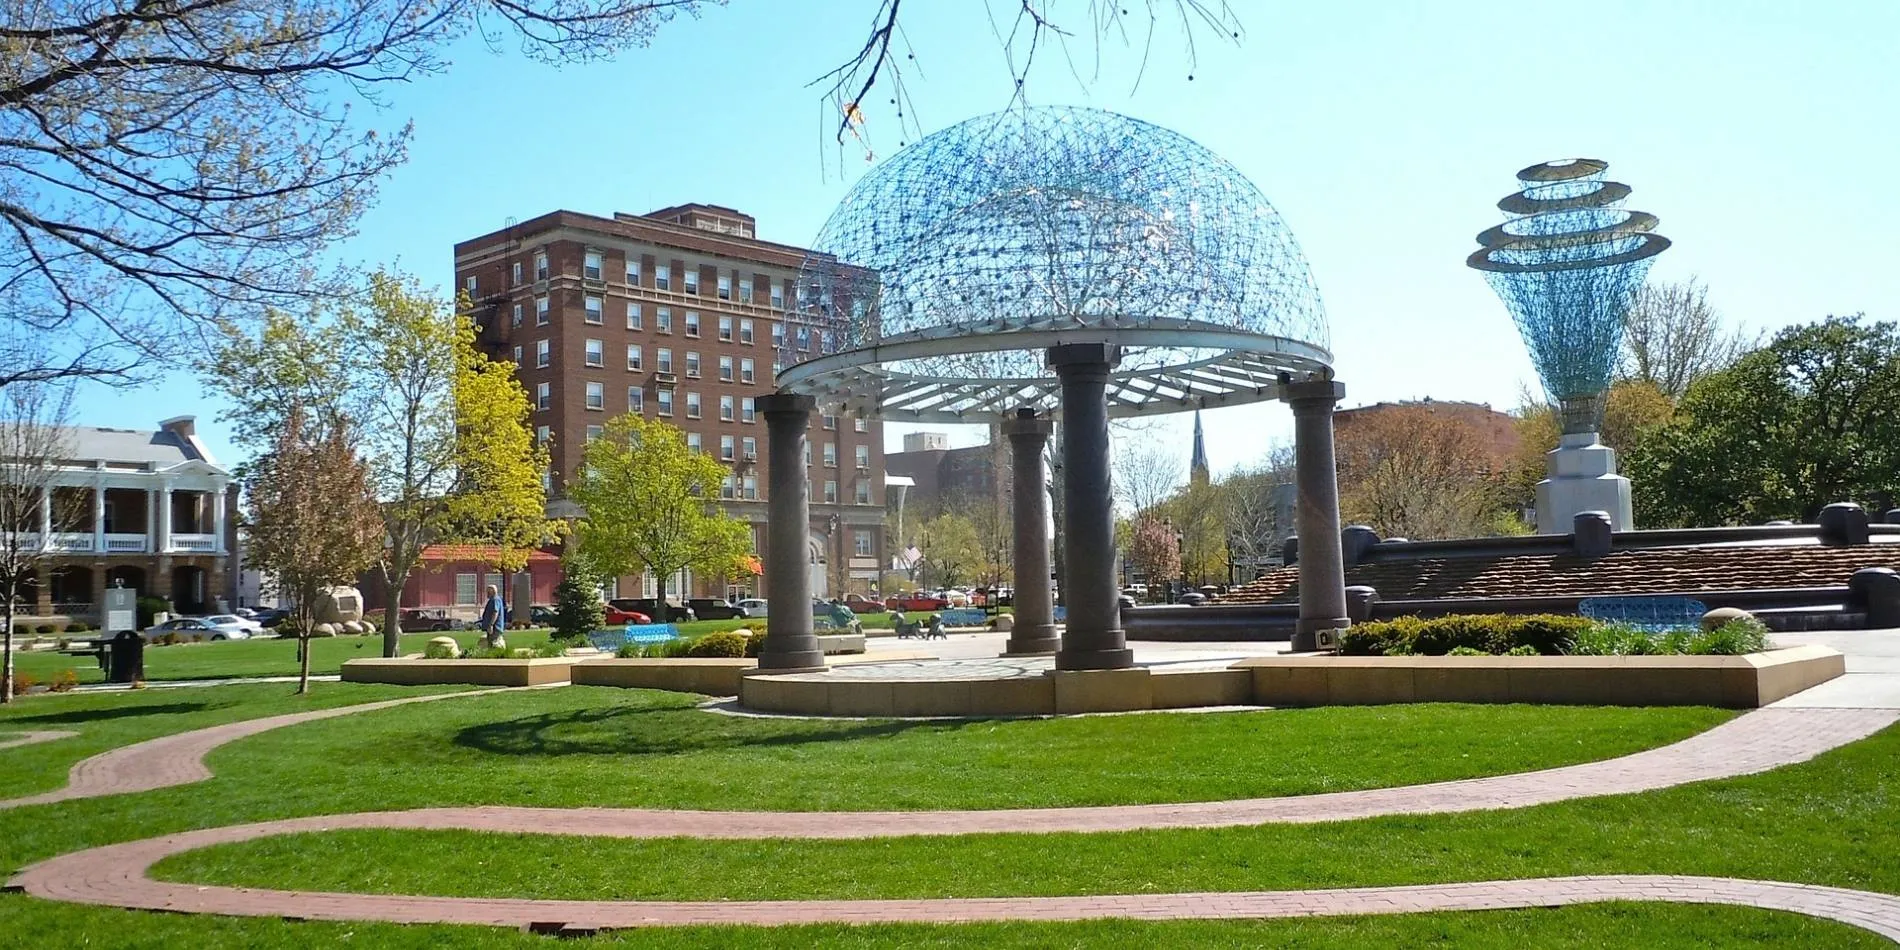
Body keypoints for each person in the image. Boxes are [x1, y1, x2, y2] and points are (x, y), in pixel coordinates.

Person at [478, 584, 507, 649]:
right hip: (493, 627)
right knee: (491, 643)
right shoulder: (493, 599)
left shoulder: (495, 599)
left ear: (492, 591)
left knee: (493, 644)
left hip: (495, 627)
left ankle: (496, 656)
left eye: (488, 592)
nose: (487, 594)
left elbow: (495, 612)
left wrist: (491, 625)